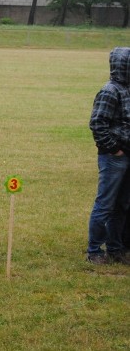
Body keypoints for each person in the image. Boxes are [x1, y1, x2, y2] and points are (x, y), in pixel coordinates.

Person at [87, 47, 130, 265]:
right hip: (114, 158)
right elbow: (97, 123)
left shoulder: (127, 89)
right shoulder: (109, 90)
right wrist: (115, 149)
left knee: (123, 205)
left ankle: (116, 248)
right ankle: (94, 250)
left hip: (127, 156)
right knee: (105, 204)